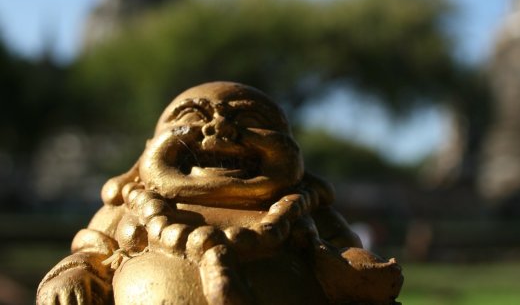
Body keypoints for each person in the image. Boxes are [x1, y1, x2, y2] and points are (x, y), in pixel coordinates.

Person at [37, 81, 403, 304]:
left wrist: (347, 269)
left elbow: (354, 261)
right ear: (146, 152)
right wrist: (71, 276)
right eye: (193, 118)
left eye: (253, 121)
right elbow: (89, 254)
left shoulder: (307, 214)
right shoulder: (128, 210)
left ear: (296, 157)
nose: (220, 130)